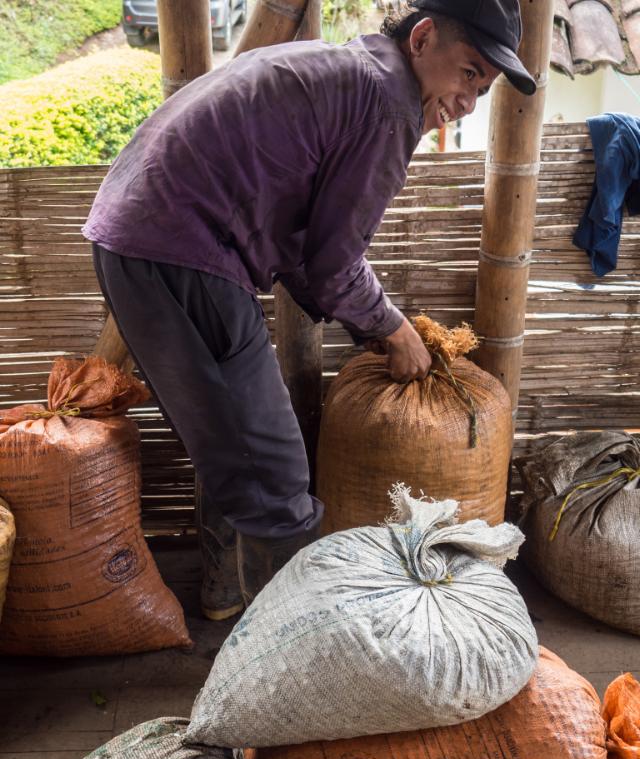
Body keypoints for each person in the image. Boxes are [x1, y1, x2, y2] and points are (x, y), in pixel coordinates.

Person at [83, 0, 535, 618]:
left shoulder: (360, 72)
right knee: (272, 471)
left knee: (230, 433)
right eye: (468, 74)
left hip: (151, 236)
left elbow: (310, 249)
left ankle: (225, 595)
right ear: (424, 38)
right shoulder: (387, 104)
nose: (467, 102)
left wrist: (370, 322)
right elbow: (334, 263)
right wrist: (394, 329)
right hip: (177, 247)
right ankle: (297, 646)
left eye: (481, 90)